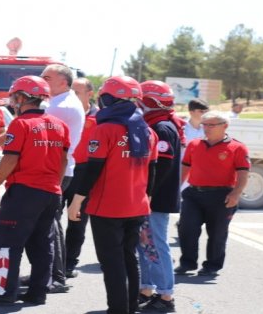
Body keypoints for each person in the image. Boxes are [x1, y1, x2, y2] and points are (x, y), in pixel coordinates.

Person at [0, 75, 70, 305]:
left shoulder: (20, 123)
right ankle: (38, 293)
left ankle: (3, 292)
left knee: (8, 245)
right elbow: (63, 160)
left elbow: (10, 159)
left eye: (14, 96)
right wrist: (56, 184)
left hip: (23, 193)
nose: (13, 101)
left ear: (23, 97)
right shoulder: (59, 125)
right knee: (42, 245)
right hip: (51, 192)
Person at [68, 75, 158, 314]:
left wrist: (77, 199)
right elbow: (153, 170)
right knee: (129, 258)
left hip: (107, 207)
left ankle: (117, 309)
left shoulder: (104, 129)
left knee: (112, 262)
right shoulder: (148, 132)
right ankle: (129, 308)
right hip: (136, 206)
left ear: (109, 99)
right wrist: (146, 198)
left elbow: (92, 169)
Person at [175, 111, 249, 277]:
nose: (206, 128)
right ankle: (187, 262)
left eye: (211, 125)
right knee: (187, 228)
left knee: (217, 232)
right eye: (204, 125)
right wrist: (175, 189)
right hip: (194, 194)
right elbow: (185, 168)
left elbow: (243, 173)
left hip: (221, 195)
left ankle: (212, 265)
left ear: (225, 126)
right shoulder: (194, 144)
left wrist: (236, 194)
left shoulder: (237, 147)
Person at [135, 80, 186, 313]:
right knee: (145, 246)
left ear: (150, 101)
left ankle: (166, 295)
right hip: (150, 197)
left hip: (156, 198)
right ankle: (147, 288)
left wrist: (148, 194)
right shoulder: (156, 124)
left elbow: (161, 168)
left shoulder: (162, 127)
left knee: (156, 245)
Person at [37, 64, 84, 291]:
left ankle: (55, 277)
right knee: (50, 223)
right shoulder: (57, 102)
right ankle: (51, 274)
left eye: (47, 77)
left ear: (63, 82)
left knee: (50, 224)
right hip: (57, 169)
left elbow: (28, 127)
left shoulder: (61, 107)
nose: (41, 80)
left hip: (56, 170)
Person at [63, 77, 98, 278]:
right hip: (62, 169)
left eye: (77, 92)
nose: (73, 97)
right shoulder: (64, 113)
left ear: (89, 94)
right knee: (50, 221)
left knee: (77, 220)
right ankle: (51, 265)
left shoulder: (100, 117)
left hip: (85, 173)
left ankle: (69, 263)